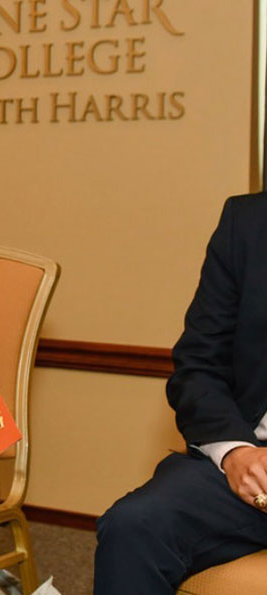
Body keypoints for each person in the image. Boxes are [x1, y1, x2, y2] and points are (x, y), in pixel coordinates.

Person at [94, 193, 267, 593]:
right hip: (252, 463)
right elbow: (199, 364)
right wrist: (236, 454)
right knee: (135, 523)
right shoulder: (248, 221)